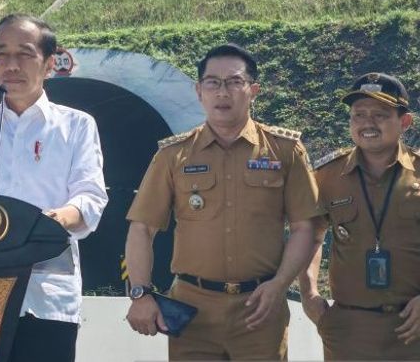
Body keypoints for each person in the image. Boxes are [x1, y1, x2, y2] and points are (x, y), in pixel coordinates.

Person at [124, 43, 324, 360]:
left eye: (234, 82)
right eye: (212, 83)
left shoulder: (284, 150)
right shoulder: (174, 155)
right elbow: (141, 229)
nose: (222, 92)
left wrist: (280, 285)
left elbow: (304, 228)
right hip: (193, 312)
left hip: (260, 308)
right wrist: (140, 293)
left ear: (253, 90)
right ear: (199, 91)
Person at [0, 14, 108, 362]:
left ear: (49, 63)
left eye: (25, 54)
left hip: (47, 298)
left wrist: (54, 220)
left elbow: (90, 197)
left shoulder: (76, 126)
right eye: (2, 54)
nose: (11, 65)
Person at [299, 73, 420, 360]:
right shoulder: (327, 175)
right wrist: (309, 295)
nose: (367, 123)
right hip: (348, 330)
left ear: (404, 122)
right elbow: (310, 237)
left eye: (380, 115)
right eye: (359, 115)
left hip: (413, 326)